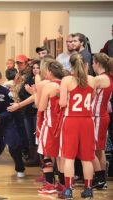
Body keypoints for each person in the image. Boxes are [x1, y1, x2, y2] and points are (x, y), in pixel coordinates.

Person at [58, 53, 95, 199]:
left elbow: (62, 103)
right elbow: (91, 98)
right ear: (86, 65)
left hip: (71, 121)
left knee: (69, 158)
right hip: (87, 121)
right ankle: (88, 189)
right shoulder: (92, 80)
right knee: (87, 158)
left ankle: (68, 190)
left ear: (70, 65)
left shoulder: (66, 80)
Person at [36, 61, 65, 194]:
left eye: (47, 71)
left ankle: (49, 184)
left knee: (47, 154)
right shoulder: (67, 84)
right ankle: (62, 184)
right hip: (64, 124)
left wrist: (36, 93)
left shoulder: (49, 86)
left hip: (50, 124)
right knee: (61, 156)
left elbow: (41, 107)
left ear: (51, 72)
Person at [91, 53, 113, 189]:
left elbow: (89, 94)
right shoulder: (108, 77)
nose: (92, 65)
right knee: (100, 150)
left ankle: (99, 179)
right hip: (102, 116)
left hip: (98, 116)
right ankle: (101, 179)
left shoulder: (99, 78)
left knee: (91, 149)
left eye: (93, 63)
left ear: (97, 63)